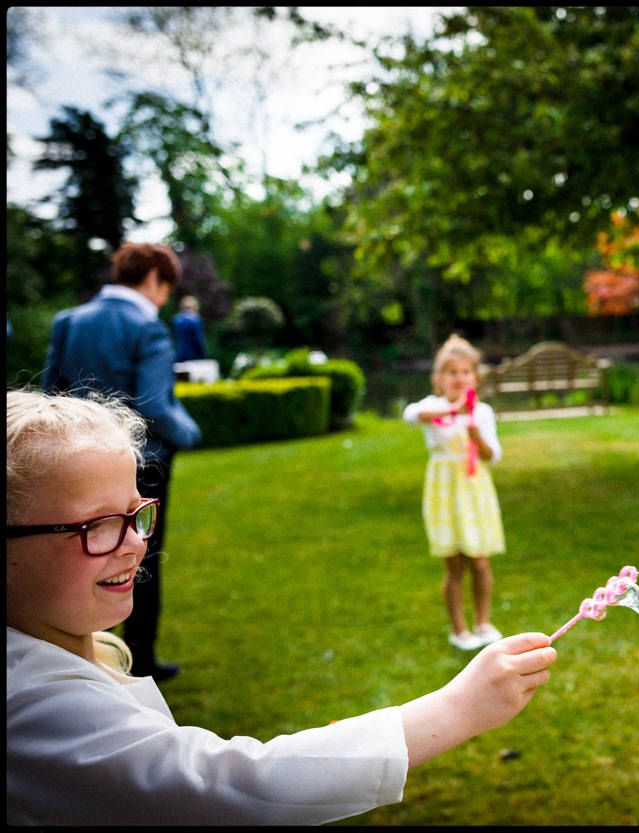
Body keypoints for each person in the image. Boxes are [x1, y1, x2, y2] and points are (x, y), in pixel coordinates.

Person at [5, 390, 557, 825]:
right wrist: (459, 708)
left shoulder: (58, 651)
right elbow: (234, 790)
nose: (133, 542)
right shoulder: (31, 709)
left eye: (136, 513)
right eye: (96, 526)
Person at [43, 242, 202, 682]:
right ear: (154, 278)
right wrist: (192, 433)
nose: (164, 297)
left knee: (84, 557)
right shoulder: (147, 327)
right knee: (140, 557)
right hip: (140, 467)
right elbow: (155, 407)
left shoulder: (69, 321)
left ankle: (81, 658)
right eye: (165, 287)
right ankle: (137, 661)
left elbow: (48, 394)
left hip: (74, 465)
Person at [403, 335, 506, 652]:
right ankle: (459, 629)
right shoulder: (434, 408)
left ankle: (483, 622)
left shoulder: (483, 413)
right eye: (451, 372)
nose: (459, 378)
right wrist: (453, 413)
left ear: (475, 378)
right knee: (455, 565)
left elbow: (494, 456)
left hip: (474, 492)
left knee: (480, 562)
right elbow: (409, 415)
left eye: (465, 372)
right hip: (446, 494)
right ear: (438, 379)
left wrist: (476, 436)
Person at [172, 295, 208, 362]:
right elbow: (199, 339)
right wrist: (204, 354)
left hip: (180, 353)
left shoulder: (177, 320)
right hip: (195, 355)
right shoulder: (195, 320)